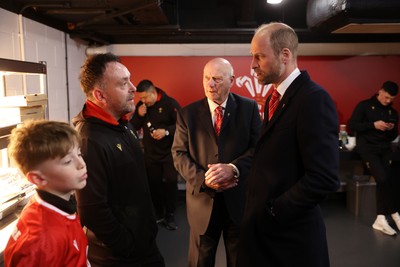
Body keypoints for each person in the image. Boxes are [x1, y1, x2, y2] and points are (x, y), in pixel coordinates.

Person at [236, 22, 340, 267]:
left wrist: (274, 211)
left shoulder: (313, 99)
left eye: (259, 56)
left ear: (285, 55)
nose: (252, 65)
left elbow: (324, 177)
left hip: (288, 239)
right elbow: (270, 152)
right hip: (265, 235)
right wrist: (236, 169)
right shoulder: (274, 97)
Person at [72, 53, 165, 266]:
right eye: (124, 84)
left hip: (144, 245)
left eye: (130, 80)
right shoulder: (89, 139)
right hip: (121, 257)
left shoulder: (122, 124)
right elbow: (92, 210)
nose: (133, 88)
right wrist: (127, 245)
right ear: (100, 95)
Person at [172, 57, 262, 267]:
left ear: (232, 80)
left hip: (238, 200)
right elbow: (178, 154)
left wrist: (233, 169)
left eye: (217, 79)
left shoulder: (248, 109)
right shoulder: (188, 114)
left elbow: (259, 148)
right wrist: (205, 179)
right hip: (202, 202)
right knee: (200, 261)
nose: (210, 84)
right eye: (206, 78)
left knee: (240, 259)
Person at [4, 120, 89, 267]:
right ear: (37, 178)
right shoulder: (40, 242)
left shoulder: (61, 205)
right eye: (68, 161)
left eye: (79, 154)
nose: (81, 164)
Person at [348, 81, 400, 236]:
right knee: (383, 179)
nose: (388, 101)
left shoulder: (393, 113)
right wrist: (373, 125)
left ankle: (380, 217)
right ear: (380, 91)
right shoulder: (364, 106)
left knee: (385, 180)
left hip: (385, 149)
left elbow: (394, 135)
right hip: (367, 149)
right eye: (386, 97)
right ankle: (394, 213)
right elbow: (353, 125)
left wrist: (390, 129)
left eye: (392, 99)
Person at [131, 79, 181, 230]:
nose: (143, 101)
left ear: (154, 93)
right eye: (141, 98)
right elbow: (132, 126)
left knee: (171, 182)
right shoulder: (142, 106)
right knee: (154, 184)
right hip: (151, 154)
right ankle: (159, 212)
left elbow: (182, 125)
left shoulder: (170, 104)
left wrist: (166, 132)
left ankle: (170, 214)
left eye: (145, 97)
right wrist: (139, 115)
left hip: (169, 153)